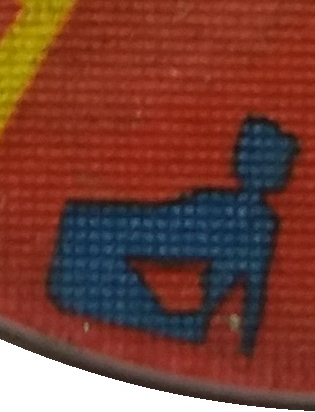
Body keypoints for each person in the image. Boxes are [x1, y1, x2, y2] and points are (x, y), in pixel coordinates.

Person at [49, 116, 299, 352]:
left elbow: (254, 292)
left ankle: (166, 321)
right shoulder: (240, 213)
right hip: (159, 238)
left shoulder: (252, 223)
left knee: (85, 226)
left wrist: (243, 345)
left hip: (163, 245)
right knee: (85, 224)